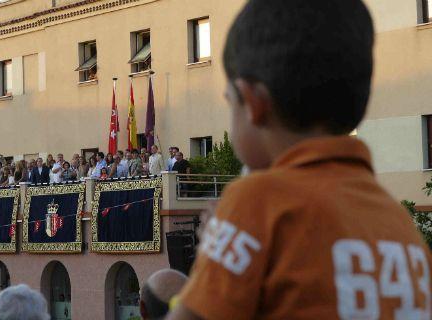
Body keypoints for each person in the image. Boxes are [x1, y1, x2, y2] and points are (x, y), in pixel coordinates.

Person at [167, 0, 432, 319]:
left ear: (252, 104)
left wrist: (215, 253)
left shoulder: (257, 202)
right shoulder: (402, 228)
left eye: (229, 103)